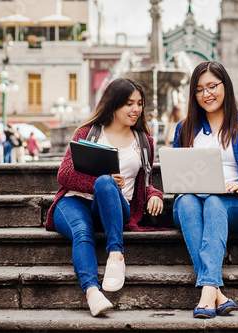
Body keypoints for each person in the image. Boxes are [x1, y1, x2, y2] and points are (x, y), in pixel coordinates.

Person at [45, 78, 164, 317]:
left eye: (139, 103)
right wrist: (102, 180)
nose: (136, 109)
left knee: (106, 184)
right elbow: (64, 174)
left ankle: (116, 254)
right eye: (129, 103)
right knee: (82, 229)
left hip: (116, 207)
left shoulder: (144, 142)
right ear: (114, 104)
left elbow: (146, 182)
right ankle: (92, 292)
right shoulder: (88, 133)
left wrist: (155, 195)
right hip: (74, 201)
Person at [172, 61, 238, 319]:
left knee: (215, 201)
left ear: (225, 86)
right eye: (199, 89)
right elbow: (177, 174)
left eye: (212, 86)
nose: (207, 94)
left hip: (235, 204)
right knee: (185, 202)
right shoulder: (184, 129)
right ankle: (213, 290)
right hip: (193, 201)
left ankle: (208, 292)